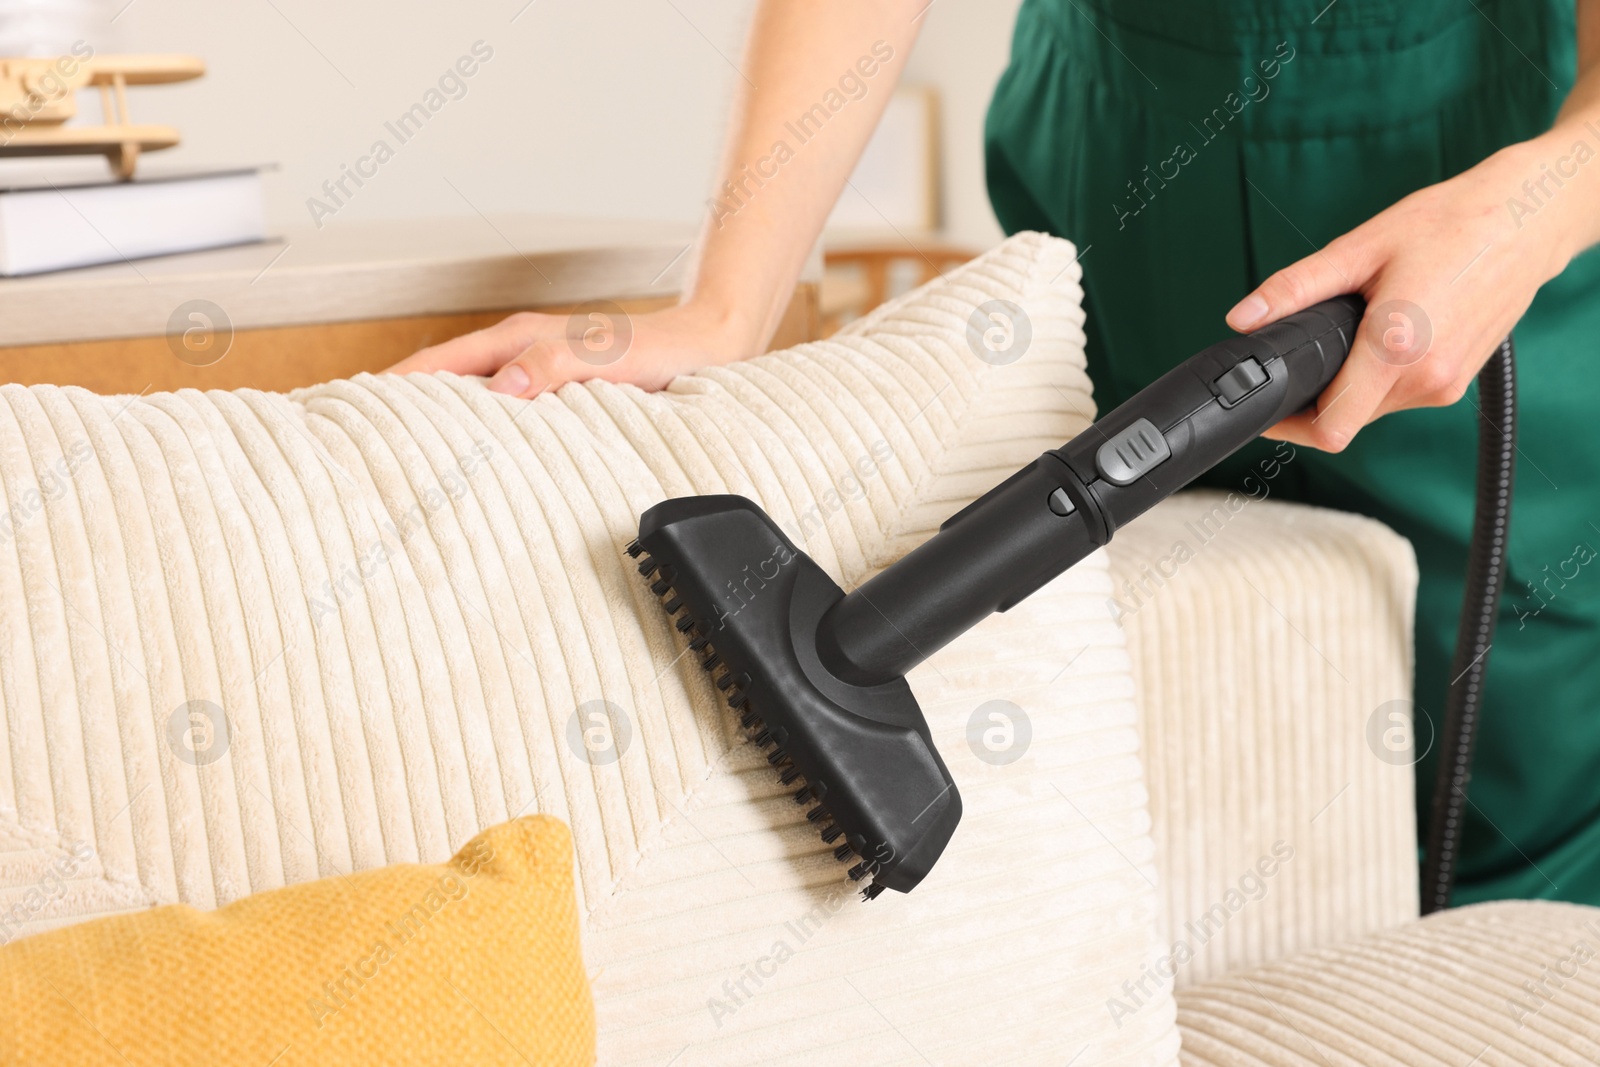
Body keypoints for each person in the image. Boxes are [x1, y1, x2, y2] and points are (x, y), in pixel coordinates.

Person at [389, 0, 1600, 907]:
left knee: (1498, 792)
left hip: (1481, 200)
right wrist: (727, 306)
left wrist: (1542, 198)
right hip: (1114, 152)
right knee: (1119, 733)